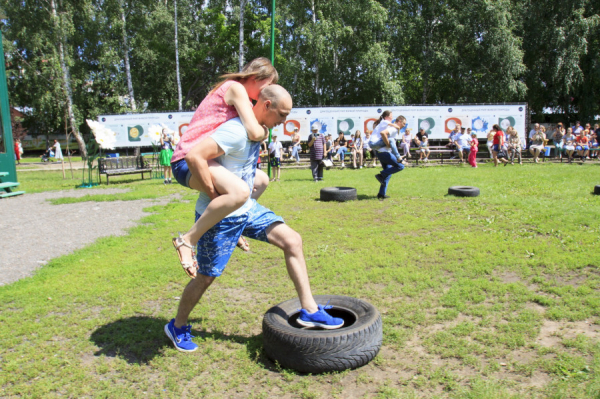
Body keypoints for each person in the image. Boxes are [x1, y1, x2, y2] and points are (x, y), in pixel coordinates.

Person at [164, 85, 344, 352]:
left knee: (292, 240)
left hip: (246, 209)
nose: (284, 122)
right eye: (282, 114)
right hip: (219, 216)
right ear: (267, 105)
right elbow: (195, 157)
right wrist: (215, 197)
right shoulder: (235, 131)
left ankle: (308, 309)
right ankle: (177, 326)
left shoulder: (256, 131)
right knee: (206, 277)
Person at [170, 58, 277, 278]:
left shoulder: (241, 95)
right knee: (238, 191)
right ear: (255, 77)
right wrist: (266, 132)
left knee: (260, 180)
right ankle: (186, 240)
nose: (267, 93)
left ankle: (228, 218)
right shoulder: (235, 88)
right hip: (187, 161)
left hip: (207, 160)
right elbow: (255, 132)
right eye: (267, 86)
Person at [374, 116, 406, 200]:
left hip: (380, 152)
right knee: (400, 166)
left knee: (388, 173)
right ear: (399, 121)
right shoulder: (393, 129)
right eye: (403, 123)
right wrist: (398, 157)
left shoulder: (393, 128)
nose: (404, 125)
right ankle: (381, 175)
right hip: (384, 153)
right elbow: (383, 133)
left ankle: (381, 194)